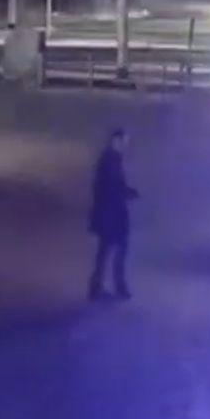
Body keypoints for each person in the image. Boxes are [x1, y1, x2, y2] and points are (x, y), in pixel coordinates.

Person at [88, 128, 138, 300]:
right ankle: (116, 287)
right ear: (116, 141)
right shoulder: (111, 160)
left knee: (106, 251)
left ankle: (99, 287)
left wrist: (127, 192)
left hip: (108, 213)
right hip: (111, 214)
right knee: (117, 250)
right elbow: (111, 187)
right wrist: (127, 193)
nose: (126, 145)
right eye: (124, 141)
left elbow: (109, 186)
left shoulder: (110, 159)